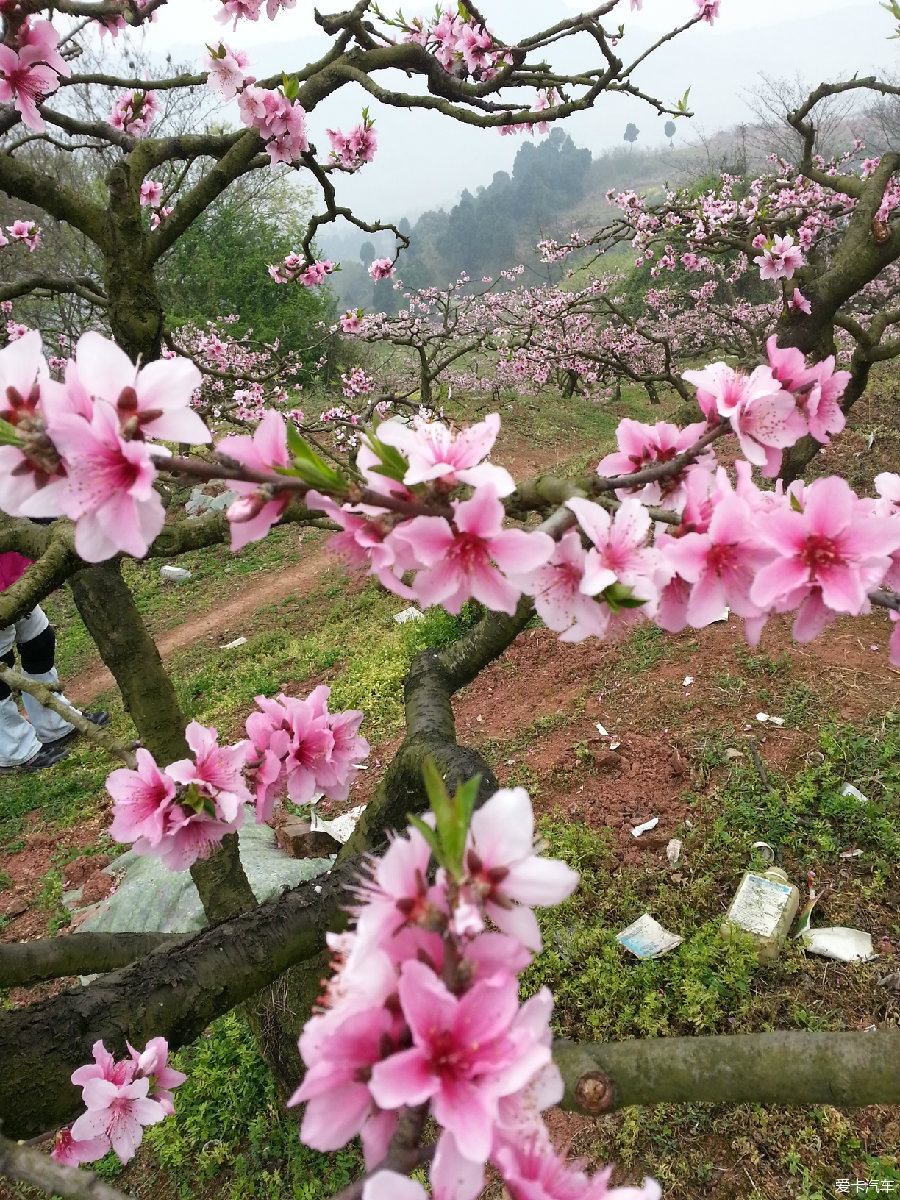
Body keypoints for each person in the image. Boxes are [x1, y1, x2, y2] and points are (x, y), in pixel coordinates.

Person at [0, 551, 109, 773]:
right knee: (1, 663)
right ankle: (14, 749)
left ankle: (54, 723)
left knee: (39, 640)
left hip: (7, 560)